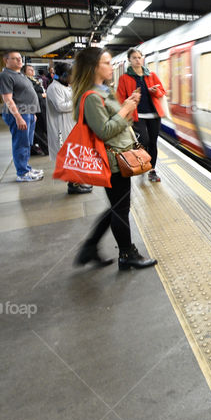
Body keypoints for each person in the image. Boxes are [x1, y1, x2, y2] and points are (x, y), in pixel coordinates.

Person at [71, 47, 156, 270]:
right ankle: (127, 254)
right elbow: (104, 131)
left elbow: (112, 122)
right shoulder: (91, 96)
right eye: (106, 63)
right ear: (93, 68)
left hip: (118, 156)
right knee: (120, 208)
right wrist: (125, 109)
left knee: (118, 206)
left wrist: (126, 106)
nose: (111, 67)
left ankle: (90, 247)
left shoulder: (102, 90)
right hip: (112, 160)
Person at [116, 48, 167, 183]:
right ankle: (142, 163)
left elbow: (162, 91)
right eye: (134, 58)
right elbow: (120, 98)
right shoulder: (124, 78)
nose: (138, 60)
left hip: (154, 115)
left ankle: (152, 170)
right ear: (129, 60)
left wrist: (155, 91)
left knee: (153, 143)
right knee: (143, 141)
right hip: (137, 116)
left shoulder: (151, 75)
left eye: (139, 57)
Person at [0, 51, 43, 182]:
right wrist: (18, 117)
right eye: (15, 59)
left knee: (27, 143)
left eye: (20, 58)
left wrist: (32, 113)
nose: (19, 60)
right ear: (6, 60)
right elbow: (8, 99)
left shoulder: (20, 75)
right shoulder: (5, 76)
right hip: (19, 114)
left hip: (28, 113)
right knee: (20, 144)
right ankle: (22, 173)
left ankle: (26, 168)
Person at [47, 63, 91, 195]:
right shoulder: (54, 88)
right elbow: (60, 107)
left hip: (70, 126)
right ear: (64, 75)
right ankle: (73, 185)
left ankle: (76, 182)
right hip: (61, 127)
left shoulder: (65, 86)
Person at [23, 64, 48, 156]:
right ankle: (45, 148)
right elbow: (29, 94)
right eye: (29, 70)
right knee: (39, 129)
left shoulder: (33, 79)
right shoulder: (26, 81)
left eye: (33, 70)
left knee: (41, 127)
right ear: (24, 72)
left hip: (41, 105)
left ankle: (36, 147)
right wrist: (41, 95)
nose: (32, 71)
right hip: (36, 107)